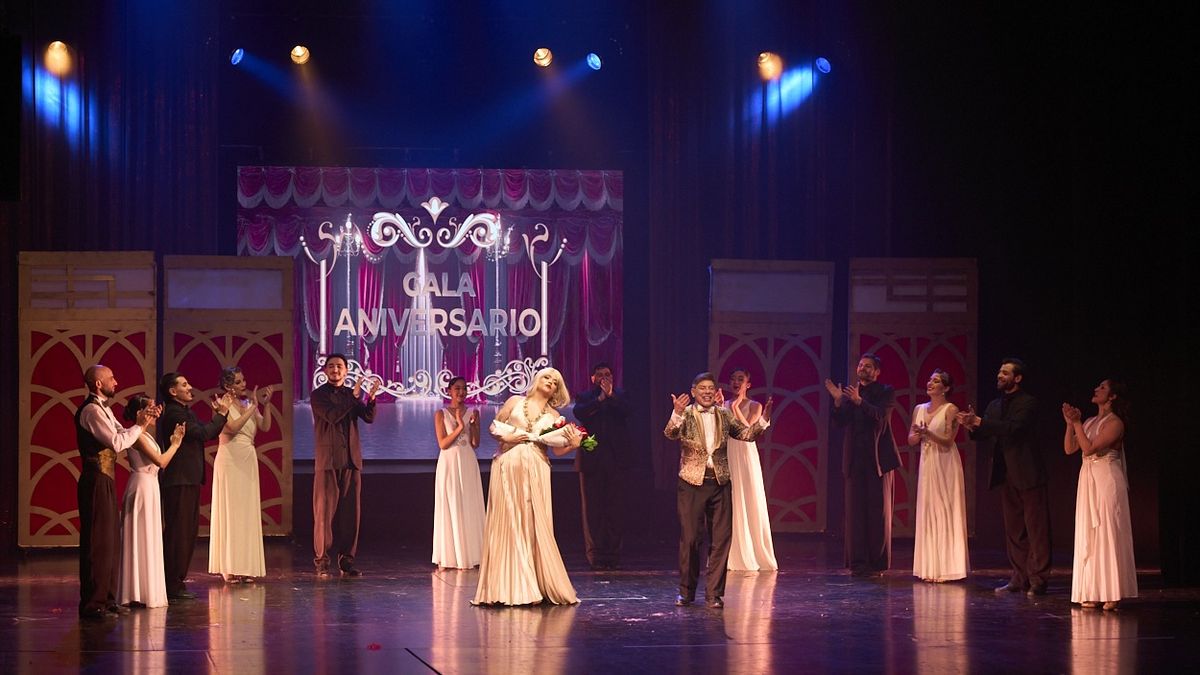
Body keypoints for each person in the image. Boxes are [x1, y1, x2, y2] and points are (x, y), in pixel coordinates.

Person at [473, 367, 582, 606]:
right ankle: (504, 585)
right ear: (536, 379)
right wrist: (507, 438)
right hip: (508, 466)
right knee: (508, 522)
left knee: (533, 524)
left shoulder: (555, 416)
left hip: (536, 468)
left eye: (555, 382)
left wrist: (573, 445)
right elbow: (495, 427)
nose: (550, 382)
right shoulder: (515, 401)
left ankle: (532, 583)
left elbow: (556, 448)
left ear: (556, 390)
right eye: (547, 377)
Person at [666, 372, 772, 609]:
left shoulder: (724, 414)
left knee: (722, 540)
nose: (706, 392)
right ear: (693, 391)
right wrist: (677, 412)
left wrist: (764, 420)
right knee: (691, 538)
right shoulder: (687, 414)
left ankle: (714, 594)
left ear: (715, 392)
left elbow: (745, 435)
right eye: (702, 388)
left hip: (720, 482)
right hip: (692, 482)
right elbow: (670, 433)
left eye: (710, 388)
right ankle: (686, 592)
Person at [958, 357, 1051, 596]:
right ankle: (1019, 578)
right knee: (1014, 530)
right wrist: (972, 425)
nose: (1000, 375)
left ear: (1017, 378)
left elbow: (1014, 428)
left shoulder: (1028, 403)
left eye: (1005, 372)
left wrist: (982, 422)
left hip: (1028, 473)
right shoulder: (994, 405)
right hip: (1005, 473)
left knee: (1036, 529)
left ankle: (1038, 579)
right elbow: (983, 434)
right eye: (999, 371)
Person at [75, 365, 158, 619]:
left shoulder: (105, 409)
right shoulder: (91, 411)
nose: (116, 382)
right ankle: (93, 603)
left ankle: (108, 600)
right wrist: (140, 427)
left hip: (106, 478)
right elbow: (117, 443)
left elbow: (122, 432)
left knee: (109, 540)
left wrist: (142, 422)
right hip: (95, 479)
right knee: (97, 542)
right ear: (98, 384)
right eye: (111, 378)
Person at [825, 353, 902, 577]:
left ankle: (876, 564)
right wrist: (839, 403)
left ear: (877, 372)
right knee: (855, 513)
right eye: (860, 365)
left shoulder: (885, 392)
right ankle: (858, 563)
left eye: (868, 366)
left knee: (877, 513)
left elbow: (880, 417)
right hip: (855, 460)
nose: (862, 368)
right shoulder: (851, 393)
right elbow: (840, 423)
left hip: (879, 461)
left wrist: (860, 401)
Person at [1063, 379, 1137, 610]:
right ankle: (1093, 590)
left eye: (1102, 388)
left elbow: (1089, 448)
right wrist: (1070, 424)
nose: (1096, 389)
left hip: (1106, 479)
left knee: (1107, 530)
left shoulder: (1115, 423)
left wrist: (1076, 423)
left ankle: (1112, 592)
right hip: (1088, 479)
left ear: (1113, 396)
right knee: (1090, 533)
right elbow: (1070, 449)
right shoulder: (1091, 421)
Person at [158, 372, 231, 601]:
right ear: (172, 391)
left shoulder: (184, 412)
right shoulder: (173, 413)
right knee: (178, 533)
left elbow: (203, 431)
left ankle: (176, 581)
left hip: (188, 479)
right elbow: (203, 433)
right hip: (179, 480)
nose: (190, 387)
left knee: (187, 533)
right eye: (184, 384)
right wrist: (221, 414)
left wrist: (218, 416)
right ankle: (172, 584)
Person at [310, 353, 379, 577]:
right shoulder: (318, 396)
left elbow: (367, 417)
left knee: (351, 514)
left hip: (351, 460)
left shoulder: (352, 394)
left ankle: (347, 561)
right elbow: (332, 416)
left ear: (346, 371)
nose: (335, 369)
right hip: (328, 462)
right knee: (323, 514)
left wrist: (371, 399)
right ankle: (322, 561)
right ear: (325, 371)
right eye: (331, 366)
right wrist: (354, 398)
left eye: (339, 366)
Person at [118, 395, 185, 608]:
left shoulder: (147, 436)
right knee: (140, 536)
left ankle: (147, 590)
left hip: (151, 486)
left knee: (149, 536)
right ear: (139, 413)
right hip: (141, 487)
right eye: (149, 408)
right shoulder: (137, 436)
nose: (155, 411)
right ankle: (135, 592)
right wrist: (175, 444)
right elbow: (161, 461)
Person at [209, 366, 272, 583]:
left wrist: (264, 405)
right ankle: (228, 567)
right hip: (230, 459)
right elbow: (232, 428)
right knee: (230, 510)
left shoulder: (247, 404)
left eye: (243, 380)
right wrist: (251, 408)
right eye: (238, 382)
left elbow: (264, 426)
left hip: (247, 458)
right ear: (228, 386)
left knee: (246, 512)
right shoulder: (221, 404)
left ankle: (245, 566)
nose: (243, 384)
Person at [908, 369, 969, 583]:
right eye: (930, 379)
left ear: (946, 388)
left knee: (945, 508)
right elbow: (911, 440)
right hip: (928, 462)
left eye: (936, 381)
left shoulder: (951, 409)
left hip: (945, 462)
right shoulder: (919, 409)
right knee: (929, 508)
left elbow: (948, 441)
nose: (930, 383)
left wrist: (928, 434)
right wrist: (917, 434)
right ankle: (929, 567)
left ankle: (947, 567)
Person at [572, 362, 632, 570]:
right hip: (592, 462)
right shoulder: (586, 397)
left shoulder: (621, 395)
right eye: (599, 375)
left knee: (615, 510)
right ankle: (595, 556)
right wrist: (600, 399)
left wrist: (611, 396)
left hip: (617, 462)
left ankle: (613, 555)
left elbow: (627, 411)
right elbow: (580, 413)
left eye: (607, 374)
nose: (604, 378)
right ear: (593, 378)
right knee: (594, 511)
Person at [724, 368, 778, 572]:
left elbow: (747, 432)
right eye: (733, 378)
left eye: (741, 379)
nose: (736, 382)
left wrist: (737, 407)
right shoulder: (724, 405)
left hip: (745, 455)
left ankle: (752, 553)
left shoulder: (755, 406)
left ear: (748, 384)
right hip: (728, 454)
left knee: (747, 498)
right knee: (730, 501)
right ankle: (730, 554)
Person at [432, 376, 485, 570]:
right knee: (451, 504)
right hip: (449, 462)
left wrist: (472, 425)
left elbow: (475, 443)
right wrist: (460, 427)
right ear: (449, 391)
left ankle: (471, 554)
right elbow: (443, 444)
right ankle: (449, 557)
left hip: (467, 461)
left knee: (468, 504)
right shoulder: (441, 413)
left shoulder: (473, 412)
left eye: (464, 389)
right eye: (457, 388)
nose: (461, 392)